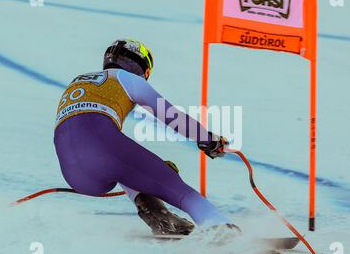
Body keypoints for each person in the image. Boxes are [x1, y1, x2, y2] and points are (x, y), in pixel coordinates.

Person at [54, 38, 233, 235]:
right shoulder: (126, 78)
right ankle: (221, 230)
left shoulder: (80, 79)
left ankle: (157, 214)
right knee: (174, 185)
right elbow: (172, 117)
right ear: (142, 68)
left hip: (75, 173)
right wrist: (208, 140)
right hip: (102, 147)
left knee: (128, 168)